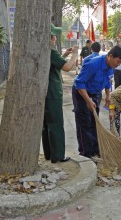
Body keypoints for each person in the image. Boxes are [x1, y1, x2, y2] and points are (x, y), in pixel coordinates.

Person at [72, 45, 121, 158]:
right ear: (110, 56)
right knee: (84, 123)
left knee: (94, 121)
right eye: (118, 61)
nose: (118, 65)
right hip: (81, 93)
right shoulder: (93, 64)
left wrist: (107, 96)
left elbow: (107, 82)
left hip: (95, 93)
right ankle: (86, 153)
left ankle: (95, 149)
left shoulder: (111, 66)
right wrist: (87, 100)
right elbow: (79, 83)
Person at [42, 24, 79, 163]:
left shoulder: (44, 51)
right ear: (49, 38)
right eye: (53, 37)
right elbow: (68, 67)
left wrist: (65, 55)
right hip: (53, 92)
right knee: (56, 124)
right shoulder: (51, 52)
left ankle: (49, 154)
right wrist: (75, 54)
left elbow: (55, 64)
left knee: (46, 124)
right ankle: (57, 156)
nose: (55, 39)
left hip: (46, 92)